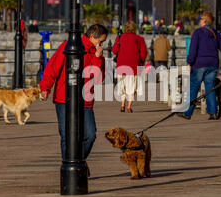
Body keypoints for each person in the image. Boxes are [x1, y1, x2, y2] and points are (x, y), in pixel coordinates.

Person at [39, 24, 108, 173]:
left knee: (90, 134)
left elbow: (99, 78)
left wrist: (98, 58)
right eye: (100, 41)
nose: (101, 45)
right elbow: (52, 67)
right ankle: (68, 168)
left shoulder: (97, 54)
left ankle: (79, 161)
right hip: (64, 98)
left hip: (85, 99)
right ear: (92, 37)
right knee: (66, 135)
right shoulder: (68, 45)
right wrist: (45, 87)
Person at [177, 11, 221, 120]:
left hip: (199, 64)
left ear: (205, 20)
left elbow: (193, 49)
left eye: (201, 19)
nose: (199, 21)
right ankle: (213, 113)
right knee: (210, 88)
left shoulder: (198, 32)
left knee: (193, 88)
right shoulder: (215, 33)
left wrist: (190, 62)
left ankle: (187, 112)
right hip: (213, 65)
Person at [112, 21, 147, 113]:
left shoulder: (120, 37)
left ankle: (122, 104)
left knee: (122, 86)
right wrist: (142, 61)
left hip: (121, 65)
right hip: (134, 65)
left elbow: (114, 50)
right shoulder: (139, 39)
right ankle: (129, 106)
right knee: (132, 86)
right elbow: (143, 53)